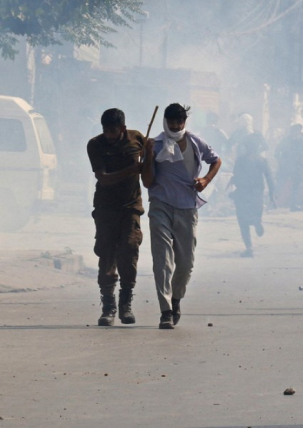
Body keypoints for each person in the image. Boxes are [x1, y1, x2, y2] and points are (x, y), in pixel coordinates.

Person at [141, 103, 222, 329]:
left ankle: (176, 299)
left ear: (185, 122)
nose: (175, 126)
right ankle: (165, 310)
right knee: (162, 259)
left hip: (187, 207)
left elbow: (216, 160)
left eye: (180, 122)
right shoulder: (155, 145)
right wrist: (147, 156)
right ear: (164, 121)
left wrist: (205, 180)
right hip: (161, 205)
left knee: (185, 263)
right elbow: (147, 181)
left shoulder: (196, 142)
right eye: (171, 122)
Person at [86, 108, 147, 327]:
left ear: (122, 128)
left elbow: (152, 161)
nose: (109, 135)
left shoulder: (138, 138)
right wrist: (132, 170)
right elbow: (103, 178)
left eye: (113, 131)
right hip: (105, 209)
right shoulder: (95, 144)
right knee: (106, 254)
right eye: (105, 130)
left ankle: (125, 304)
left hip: (130, 207)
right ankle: (108, 307)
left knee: (129, 251)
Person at [228, 133, 275, 257]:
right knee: (256, 212)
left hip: (242, 194)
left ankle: (249, 248)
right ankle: (256, 221)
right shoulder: (262, 160)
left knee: (242, 221)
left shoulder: (240, 160)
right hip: (257, 193)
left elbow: (235, 176)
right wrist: (272, 194)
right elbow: (269, 177)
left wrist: (233, 188)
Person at [275, 123, 303, 212]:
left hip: (296, 166)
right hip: (285, 166)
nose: (297, 132)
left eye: (298, 130)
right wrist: (281, 161)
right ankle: (272, 203)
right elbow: (276, 153)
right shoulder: (285, 141)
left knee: (297, 186)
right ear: (291, 131)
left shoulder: (300, 140)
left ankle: (293, 205)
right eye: (295, 130)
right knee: (279, 185)